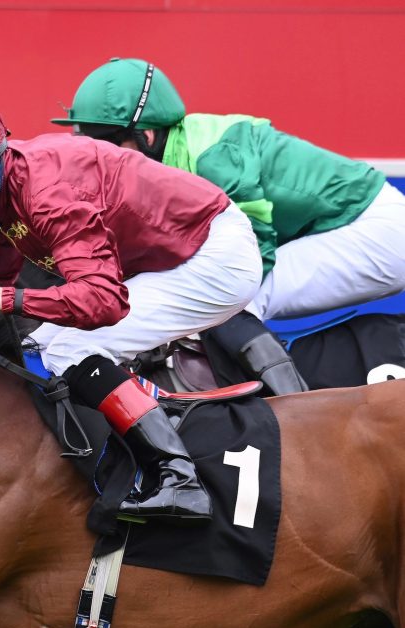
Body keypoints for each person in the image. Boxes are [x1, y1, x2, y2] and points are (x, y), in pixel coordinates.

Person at [0, 89, 264, 522]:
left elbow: (103, 302)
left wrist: (2, 299)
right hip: (177, 253)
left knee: (70, 346)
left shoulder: (46, 192)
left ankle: (180, 480)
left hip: (215, 258)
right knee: (45, 342)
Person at [52, 58, 405, 395]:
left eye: (105, 142)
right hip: (340, 227)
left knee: (231, 295)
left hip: (376, 231)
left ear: (147, 136)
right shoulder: (166, 156)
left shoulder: (214, 157)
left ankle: (297, 410)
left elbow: (250, 257)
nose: (97, 157)